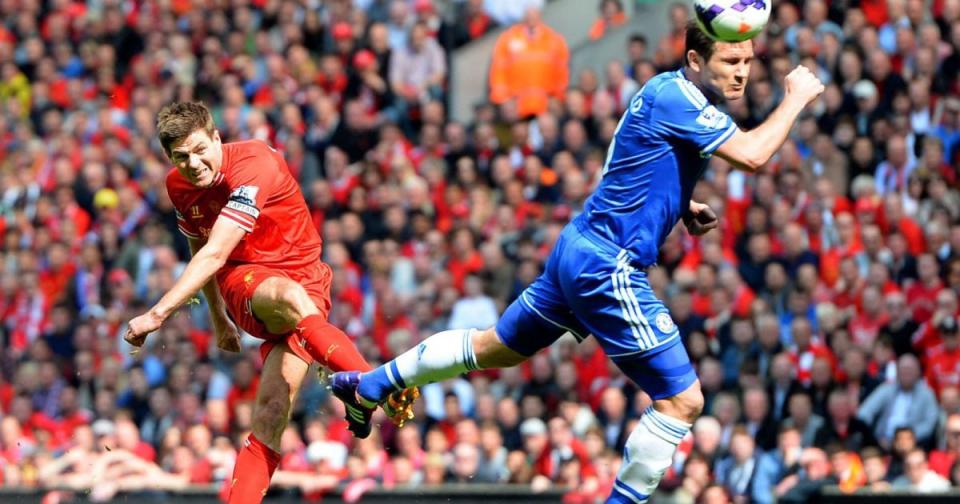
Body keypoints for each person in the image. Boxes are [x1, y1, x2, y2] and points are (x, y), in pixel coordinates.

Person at [333, 21, 824, 503]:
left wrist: (678, 202)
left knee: (497, 348)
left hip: (579, 246)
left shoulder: (662, 89)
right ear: (696, 60)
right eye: (731, 61)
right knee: (683, 400)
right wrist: (796, 97)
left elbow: (625, 158)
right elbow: (755, 155)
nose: (742, 72)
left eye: (748, 61)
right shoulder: (684, 101)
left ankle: (368, 386)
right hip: (608, 266)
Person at [122, 102, 417, 504]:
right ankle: (368, 382)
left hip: (310, 283)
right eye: (180, 157)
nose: (192, 164)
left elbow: (209, 252)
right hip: (246, 279)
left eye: (198, 149)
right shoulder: (178, 186)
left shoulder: (254, 162)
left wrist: (157, 314)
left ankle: (359, 390)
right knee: (286, 296)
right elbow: (204, 248)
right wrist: (217, 316)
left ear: (216, 137)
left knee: (271, 414)